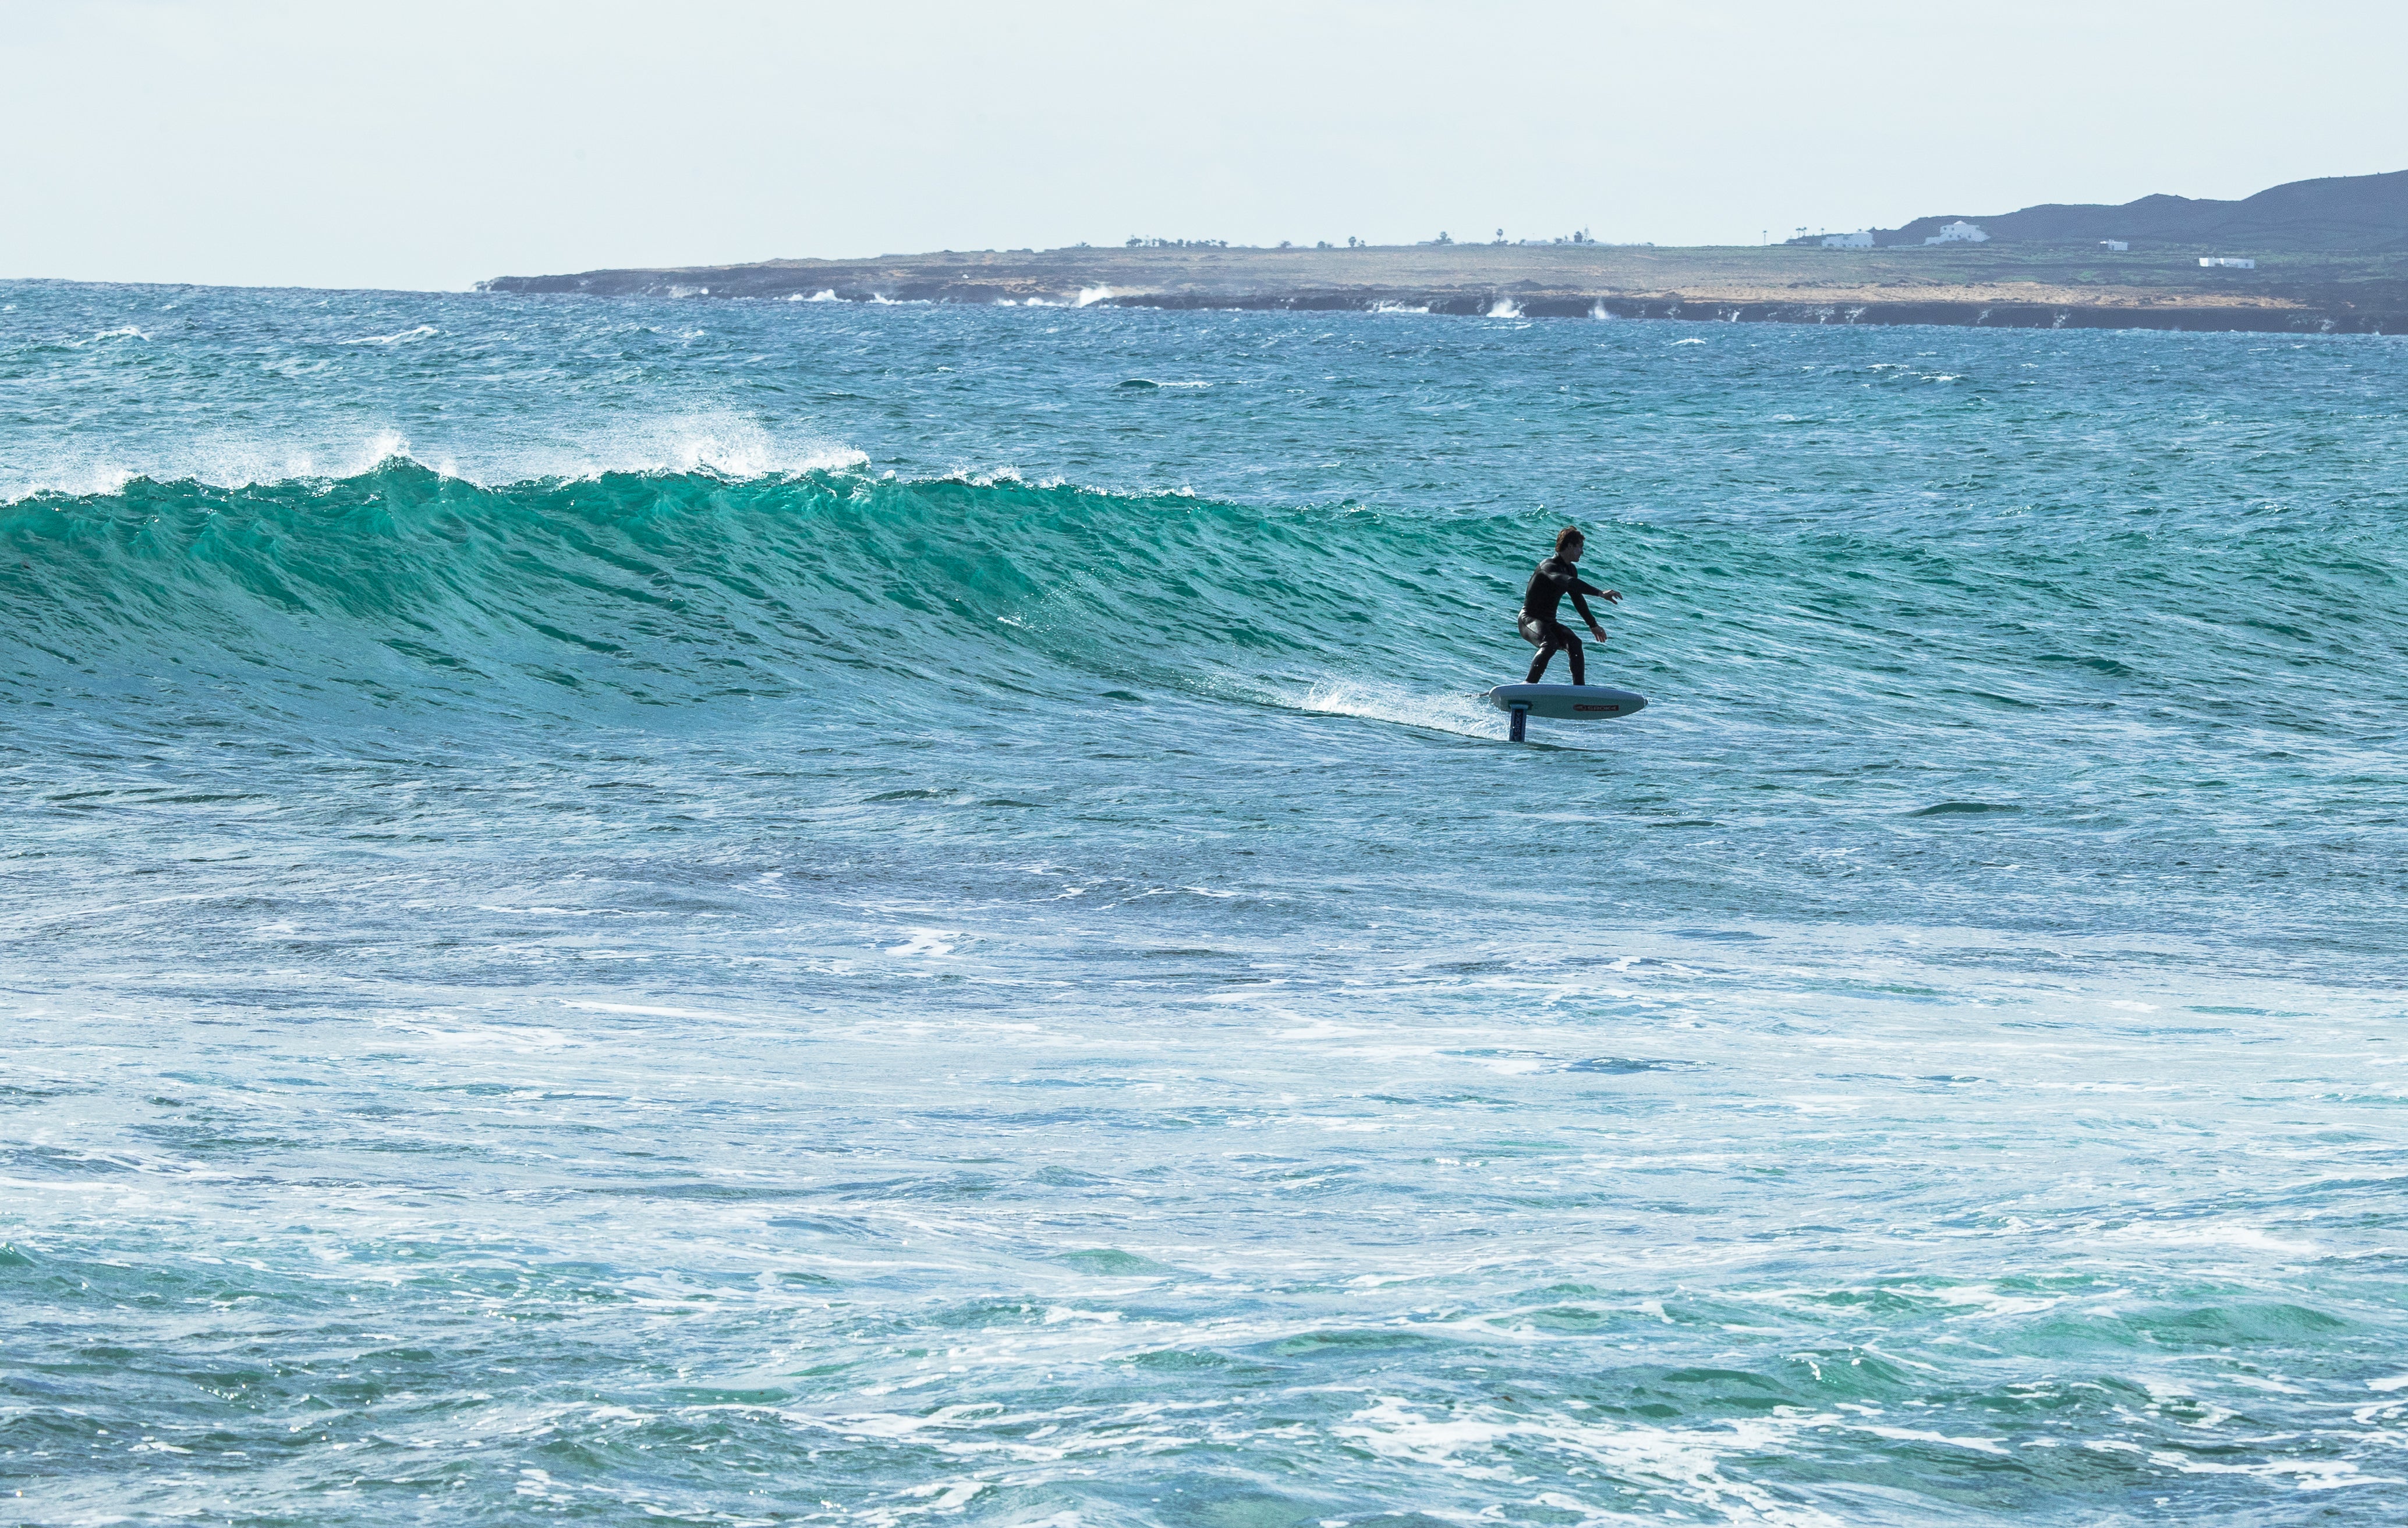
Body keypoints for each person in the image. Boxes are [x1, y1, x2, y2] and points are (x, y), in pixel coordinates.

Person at [1518, 526, 1620, 685]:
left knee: (1574, 643)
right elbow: (1568, 582)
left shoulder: (1571, 569)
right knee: (1549, 643)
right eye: (1580, 547)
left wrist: (1593, 625)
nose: (1582, 552)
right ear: (1570, 546)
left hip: (1549, 622)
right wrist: (1600, 593)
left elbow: (1577, 598)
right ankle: (1529, 685)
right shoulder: (1548, 566)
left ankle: (1579, 689)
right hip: (1530, 620)